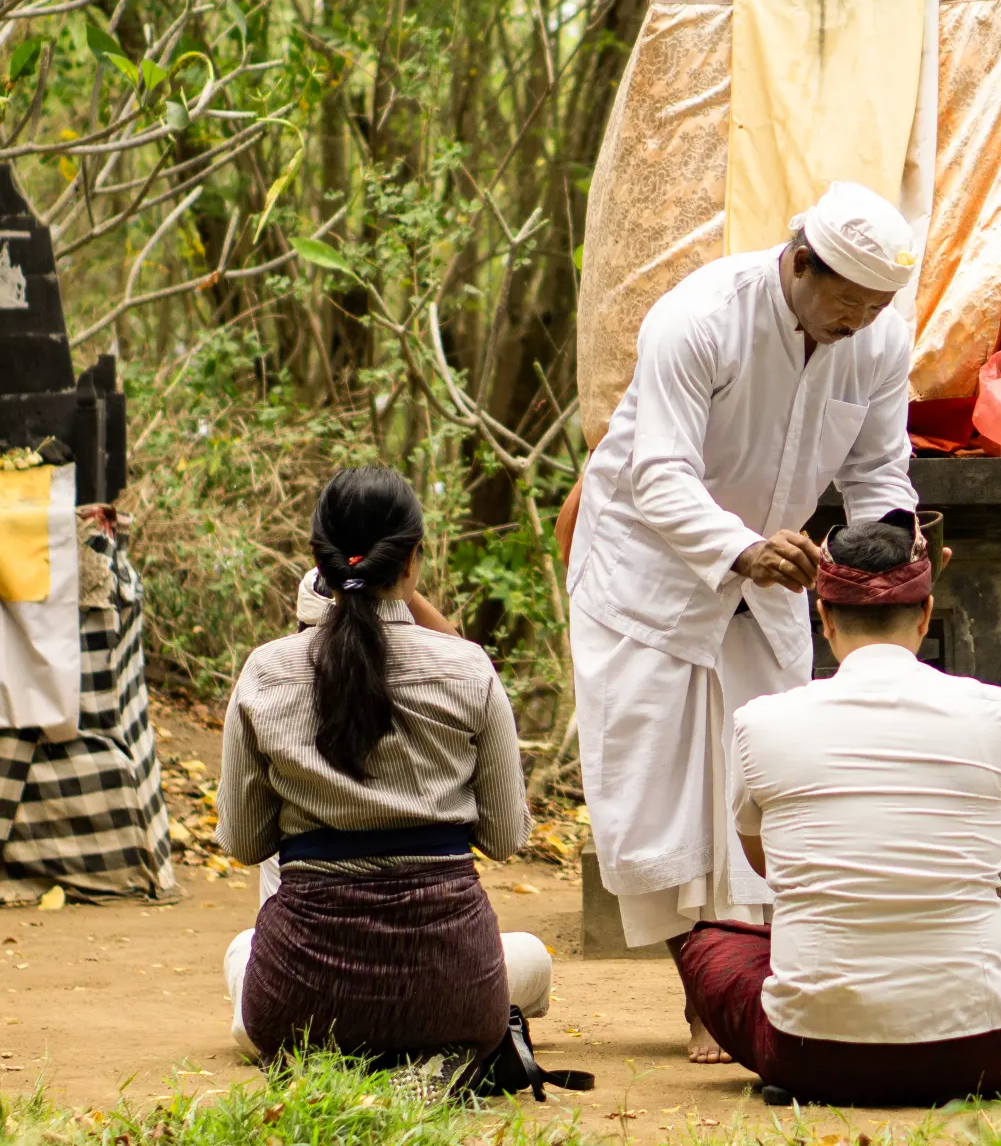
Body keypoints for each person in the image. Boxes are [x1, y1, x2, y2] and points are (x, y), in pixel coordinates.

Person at [568, 180, 921, 1060]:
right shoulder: (697, 318)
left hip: (774, 577)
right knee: (662, 801)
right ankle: (706, 989)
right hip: (648, 569)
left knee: (768, 781)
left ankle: (743, 987)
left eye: (878, 308)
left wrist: (896, 553)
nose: (861, 323)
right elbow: (658, 474)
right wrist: (740, 549)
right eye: (848, 304)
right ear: (800, 263)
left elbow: (880, 472)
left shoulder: (876, 341)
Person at [672, 511, 1001, 1104]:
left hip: (807, 1053)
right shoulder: (997, 713)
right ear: (926, 615)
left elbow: (770, 866)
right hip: (978, 1049)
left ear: (822, 618)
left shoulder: (760, 722)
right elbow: (987, 839)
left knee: (710, 945)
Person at [217, 468, 550, 1063]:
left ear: (317, 561)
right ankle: (431, 1047)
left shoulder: (265, 673)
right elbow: (504, 838)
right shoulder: (469, 671)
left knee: (242, 949)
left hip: (300, 1006)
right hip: (454, 994)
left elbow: (245, 842)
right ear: (413, 560)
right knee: (531, 960)